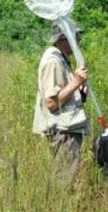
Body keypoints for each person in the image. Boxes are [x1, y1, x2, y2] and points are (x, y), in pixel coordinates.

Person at [32, 23, 89, 177]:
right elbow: (51, 103)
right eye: (76, 37)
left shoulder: (61, 58)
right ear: (64, 38)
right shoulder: (54, 61)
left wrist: (79, 91)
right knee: (65, 180)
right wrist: (76, 82)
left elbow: (62, 94)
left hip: (66, 130)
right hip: (63, 133)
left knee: (66, 178)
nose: (79, 41)